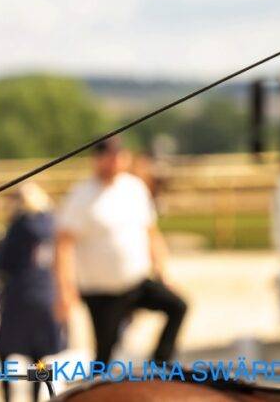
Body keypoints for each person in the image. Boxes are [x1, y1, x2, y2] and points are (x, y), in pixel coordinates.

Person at [53, 135, 187, 365]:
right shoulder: (81, 195)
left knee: (178, 306)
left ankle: (159, 365)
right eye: (110, 156)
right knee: (105, 354)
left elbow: (151, 232)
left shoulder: (135, 188)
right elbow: (64, 245)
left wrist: (163, 271)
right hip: (101, 291)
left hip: (135, 281)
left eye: (119, 156)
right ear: (97, 159)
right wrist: (65, 288)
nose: (115, 161)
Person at [0, 182, 65, 402]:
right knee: (39, 353)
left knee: (5, 350)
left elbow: (4, 261)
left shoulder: (20, 226)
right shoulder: (53, 223)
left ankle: (7, 396)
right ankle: (35, 396)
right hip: (46, 290)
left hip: (21, 292)